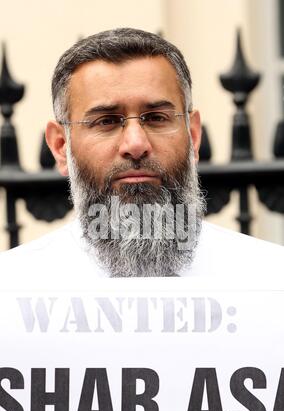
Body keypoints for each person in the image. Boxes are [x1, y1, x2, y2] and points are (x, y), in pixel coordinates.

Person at [1, 27, 284, 284]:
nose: (135, 144)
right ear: (61, 147)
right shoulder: (15, 289)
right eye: (106, 121)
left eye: (156, 118)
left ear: (193, 136)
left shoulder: (269, 281)